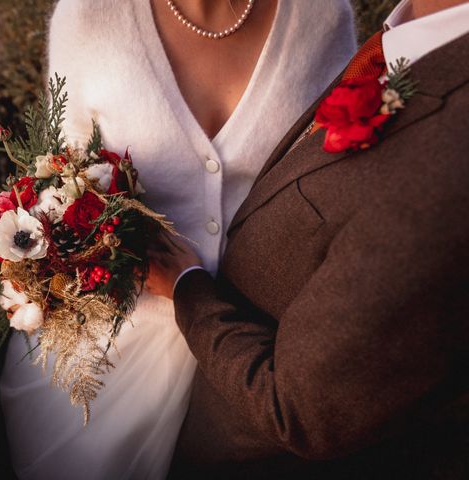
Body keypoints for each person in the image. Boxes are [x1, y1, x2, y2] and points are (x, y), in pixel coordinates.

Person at [0, 1, 356, 478]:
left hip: (262, 349)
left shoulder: (321, 14)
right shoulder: (88, 15)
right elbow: (64, 175)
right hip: (108, 357)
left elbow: (341, 165)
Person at [146, 0, 469, 478]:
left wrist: (186, 286)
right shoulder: (418, 38)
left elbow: (301, 413)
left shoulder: (451, 151)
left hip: (257, 453)